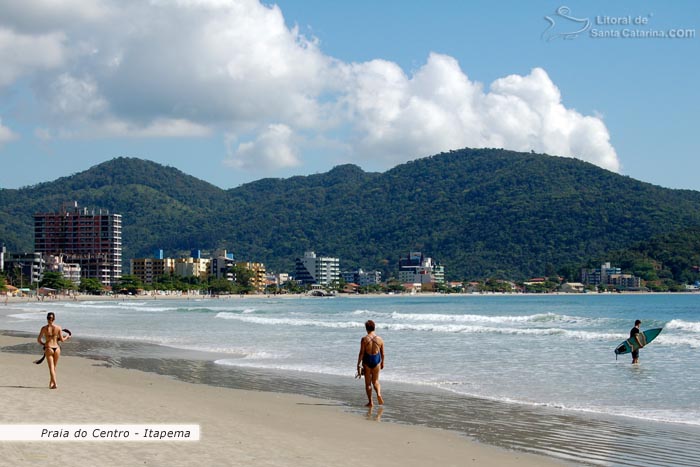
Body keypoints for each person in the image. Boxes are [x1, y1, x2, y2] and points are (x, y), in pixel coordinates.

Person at [37, 312, 70, 389]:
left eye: (49, 318)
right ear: (54, 319)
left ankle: (55, 383)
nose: (50, 320)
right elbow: (62, 340)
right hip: (57, 348)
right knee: (54, 367)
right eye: (50, 318)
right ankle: (51, 383)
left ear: (47, 318)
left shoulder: (44, 328)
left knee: (51, 367)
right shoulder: (58, 328)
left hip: (49, 348)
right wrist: (67, 336)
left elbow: (39, 340)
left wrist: (44, 344)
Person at [357, 320, 384, 407]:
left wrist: (358, 364)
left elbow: (361, 353)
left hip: (367, 361)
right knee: (376, 381)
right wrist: (383, 362)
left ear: (366, 328)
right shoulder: (380, 339)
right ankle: (379, 394)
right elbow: (382, 353)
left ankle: (370, 402)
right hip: (376, 361)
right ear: (374, 327)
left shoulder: (364, 339)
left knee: (368, 383)